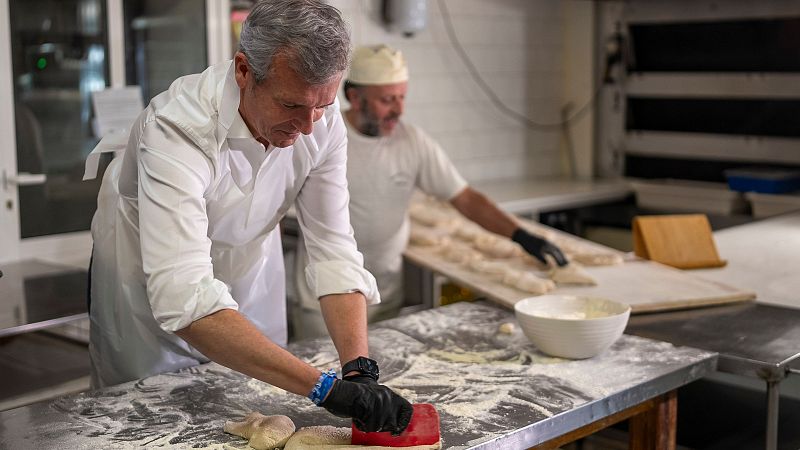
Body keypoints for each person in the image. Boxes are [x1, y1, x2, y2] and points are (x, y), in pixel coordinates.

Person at [86, 2, 411, 434]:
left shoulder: (321, 120)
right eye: (291, 104)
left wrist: (357, 370)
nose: (308, 126)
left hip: (249, 274)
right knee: (154, 426)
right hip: (147, 299)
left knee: (254, 413)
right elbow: (183, 297)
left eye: (322, 105)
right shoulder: (177, 129)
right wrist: (325, 390)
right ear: (243, 71)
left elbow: (334, 249)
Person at [292, 44, 568, 338]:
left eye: (402, 97)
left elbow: (465, 198)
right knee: (327, 381)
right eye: (387, 100)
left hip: (383, 297)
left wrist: (522, 236)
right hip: (323, 303)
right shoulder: (322, 138)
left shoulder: (411, 142)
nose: (399, 110)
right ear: (355, 97)